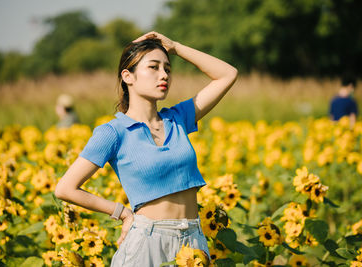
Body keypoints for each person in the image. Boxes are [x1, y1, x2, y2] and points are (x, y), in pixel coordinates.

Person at [54, 31, 237, 266]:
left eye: (168, 69)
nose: (164, 75)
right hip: (148, 242)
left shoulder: (178, 118)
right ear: (128, 76)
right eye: (153, 67)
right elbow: (65, 188)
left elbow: (227, 74)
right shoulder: (113, 132)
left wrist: (176, 47)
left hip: (193, 240)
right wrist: (121, 212)